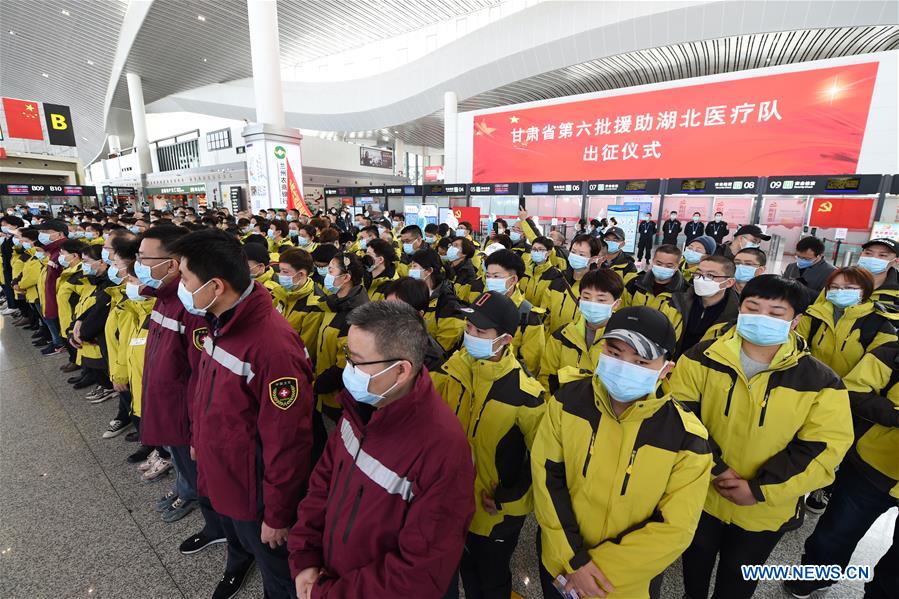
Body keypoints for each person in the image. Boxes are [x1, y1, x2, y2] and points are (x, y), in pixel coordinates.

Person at [668, 275, 853, 599]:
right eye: (753, 308)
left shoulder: (820, 381)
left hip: (766, 507)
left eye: (775, 313)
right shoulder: (701, 357)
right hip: (701, 493)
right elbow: (680, 415)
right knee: (693, 572)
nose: (760, 318)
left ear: (795, 321)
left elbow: (824, 447)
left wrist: (758, 488)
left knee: (738, 583)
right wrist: (718, 469)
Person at [288, 301, 476, 598]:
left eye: (357, 362)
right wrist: (305, 555)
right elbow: (323, 482)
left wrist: (329, 594)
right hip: (328, 575)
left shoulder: (442, 450)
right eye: (348, 356)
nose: (347, 369)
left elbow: (419, 571)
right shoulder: (361, 405)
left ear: (401, 371)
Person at [532, 306, 712, 599]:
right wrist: (574, 560)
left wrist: (596, 572)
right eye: (615, 355)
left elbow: (675, 528)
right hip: (561, 562)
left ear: (666, 369)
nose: (624, 366)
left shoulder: (686, 437)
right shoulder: (567, 402)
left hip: (624, 584)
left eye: (641, 361)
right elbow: (546, 478)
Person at [172, 229, 314, 599]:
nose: (180, 286)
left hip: (257, 494)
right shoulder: (218, 321)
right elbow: (208, 390)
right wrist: (198, 440)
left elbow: (289, 441)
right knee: (241, 540)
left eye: (185, 278)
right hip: (225, 471)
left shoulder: (272, 348)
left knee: (278, 574)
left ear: (216, 285)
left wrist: (278, 514)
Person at [432, 292, 546, 599]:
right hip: (452, 501)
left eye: (481, 332)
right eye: (469, 327)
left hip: (494, 512)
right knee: (465, 570)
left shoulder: (526, 393)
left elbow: (543, 458)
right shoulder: (453, 370)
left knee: (491, 580)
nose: (471, 335)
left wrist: (508, 498)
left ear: (506, 338)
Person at [136, 224, 225, 555]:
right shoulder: (163, 297)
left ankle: (213, 523)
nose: (139, 265)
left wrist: (195, 429)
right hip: (164, 402)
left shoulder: (191, 309)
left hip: (182, 411)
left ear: (172, 265)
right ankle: (186, 491)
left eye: (145, 258)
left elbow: (201, 374)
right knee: (180, 462)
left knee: (199, 472)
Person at [784, 343, 899, 599]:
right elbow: (854, 390)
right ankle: (816, 575)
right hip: (869, 467)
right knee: (836, 531)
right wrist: (894, 415)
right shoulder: (892, 353)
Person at [312, 252, 368, 458]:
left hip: (339, 400)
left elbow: (345, 364)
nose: (326, 274)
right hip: (323, 395)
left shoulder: (356, 313)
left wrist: (316, 385)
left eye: (331, 270)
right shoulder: (334, 303)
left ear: (346, 278)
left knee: (337, 452)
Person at [797, 266, 897, 378]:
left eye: (849, 287)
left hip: (850, 391)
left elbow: (877, 367)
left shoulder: (878, 323)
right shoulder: (813, 314)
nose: (840, 291)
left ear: (865, 290)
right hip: (810, 384)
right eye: (834, 287)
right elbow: (797, 349)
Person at [539, 268, 622, 393]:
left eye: (601, 300)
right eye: (587, 297)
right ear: (579, 299)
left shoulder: (623, 343)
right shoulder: (562, 336)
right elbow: (547, 378)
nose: (592, 304)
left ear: (616, 304)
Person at [483, 249, 546, 374]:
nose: (490, 281)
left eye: (496, 276)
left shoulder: (528, 316)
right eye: (488, 276)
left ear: (513, 280)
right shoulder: (481, 305)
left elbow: (530, 364)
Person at [669, 256, 739, 356]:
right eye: (698, 273)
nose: (701, 279)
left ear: (728, 283)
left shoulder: (735, 316)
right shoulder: (676, 301)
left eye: (710, 275)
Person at [382, 277, 447, 371]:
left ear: (419, 315)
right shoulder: (377, 332)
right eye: (386, 307)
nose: (388, 314)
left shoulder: (431, 359)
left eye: (397, 310)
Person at [409, 248, 467, 352]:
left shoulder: (447, 303)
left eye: (414, 266)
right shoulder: (412, 292)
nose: (411, 271)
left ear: (429, 271)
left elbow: (442, 348)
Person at [273, 248, 326, 362]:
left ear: (301, 274)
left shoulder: (315, 305)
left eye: (285, 272)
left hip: (289, 361)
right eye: (280, 270)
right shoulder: (280, 291)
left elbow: (305, 347)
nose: (280, 275)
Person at [544, 234, 603, 334]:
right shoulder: (559, 280)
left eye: (582, 255)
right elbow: (545, 314)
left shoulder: (598, 287)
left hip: (575, 346)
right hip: (552, 342)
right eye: (573, 252)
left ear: (593, 259)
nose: (576, 257)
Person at [34, 219, 70, 354]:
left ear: (60, 234)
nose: (41, 235)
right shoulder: (53, 251)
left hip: (60, 299)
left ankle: (61, 345)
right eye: (41, 232)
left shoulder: (63, 253)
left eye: (46, 232)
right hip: (51, 297)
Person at [622, 244, 687, 311]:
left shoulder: (685, 293)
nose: (663, 268)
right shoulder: (635, 284)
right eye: (659, 264)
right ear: (653, 261)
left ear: (677, 266)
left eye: (669, 266)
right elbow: (622, 309)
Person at [783, 236, 836, 301]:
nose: (801, 260)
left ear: (819, 255)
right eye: (799, 257)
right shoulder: (791, 267)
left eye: (806, 259)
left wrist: (802, 289)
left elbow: (828, 297)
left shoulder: (831, 272)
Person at [858, 238, 899, 311]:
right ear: (861, 255)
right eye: (868, 253)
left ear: (896, 261)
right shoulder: (841, 279)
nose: (873, 258)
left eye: (882, 255)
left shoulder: (896, 289)